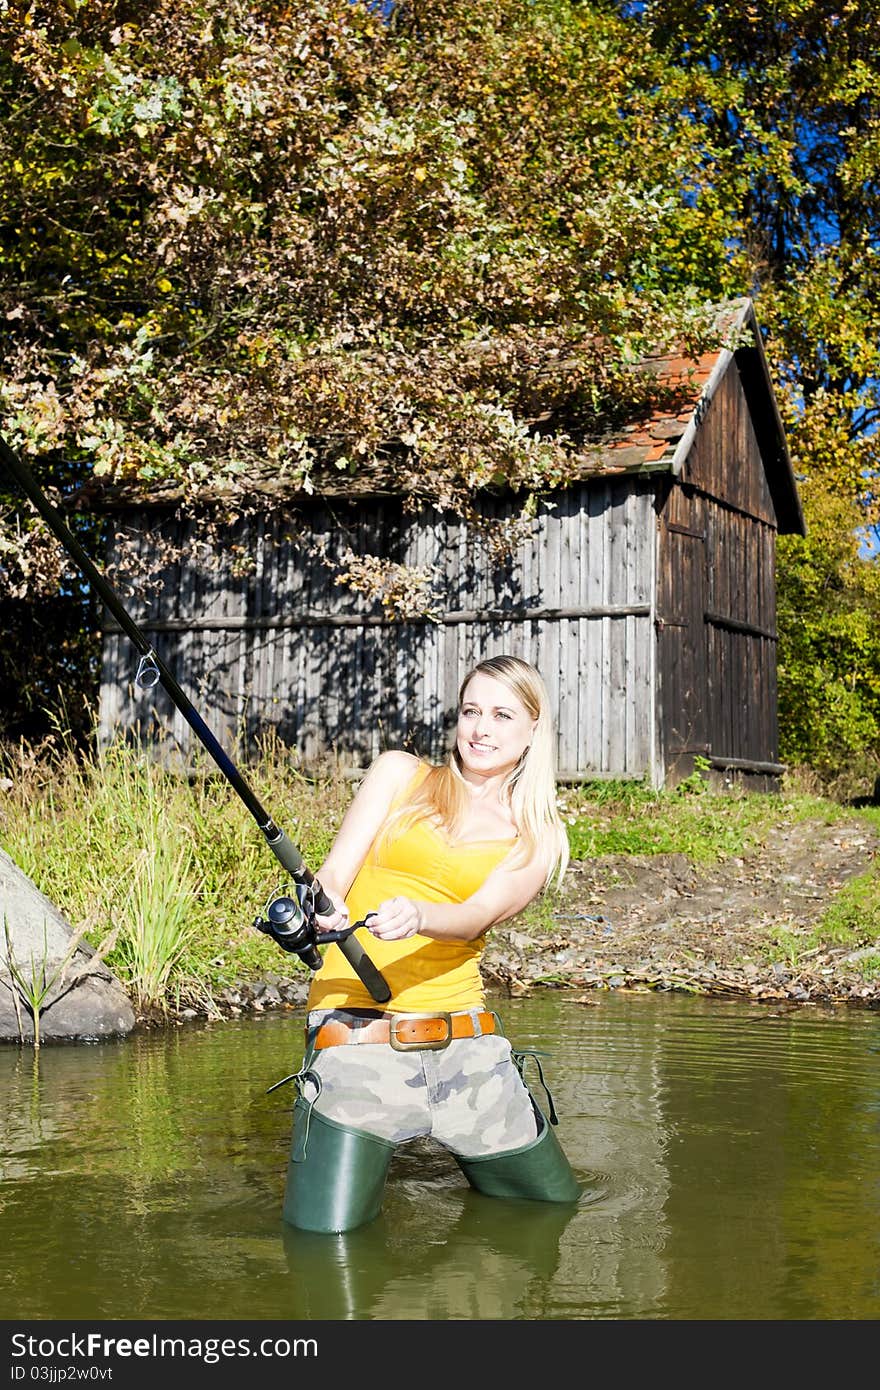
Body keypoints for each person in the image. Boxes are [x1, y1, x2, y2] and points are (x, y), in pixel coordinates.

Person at [279, 654, 581, 1233]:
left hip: (467, 1049)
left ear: (532, 731)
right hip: (355, 1037)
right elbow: (333, 876)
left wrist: (420, 914)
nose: (481, 729)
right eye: (471, 711)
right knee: (322, 1236)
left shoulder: (538, 836)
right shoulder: (400, 774)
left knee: (552, 1210)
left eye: (501, 715)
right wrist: (319, 907)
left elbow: (473, 917)